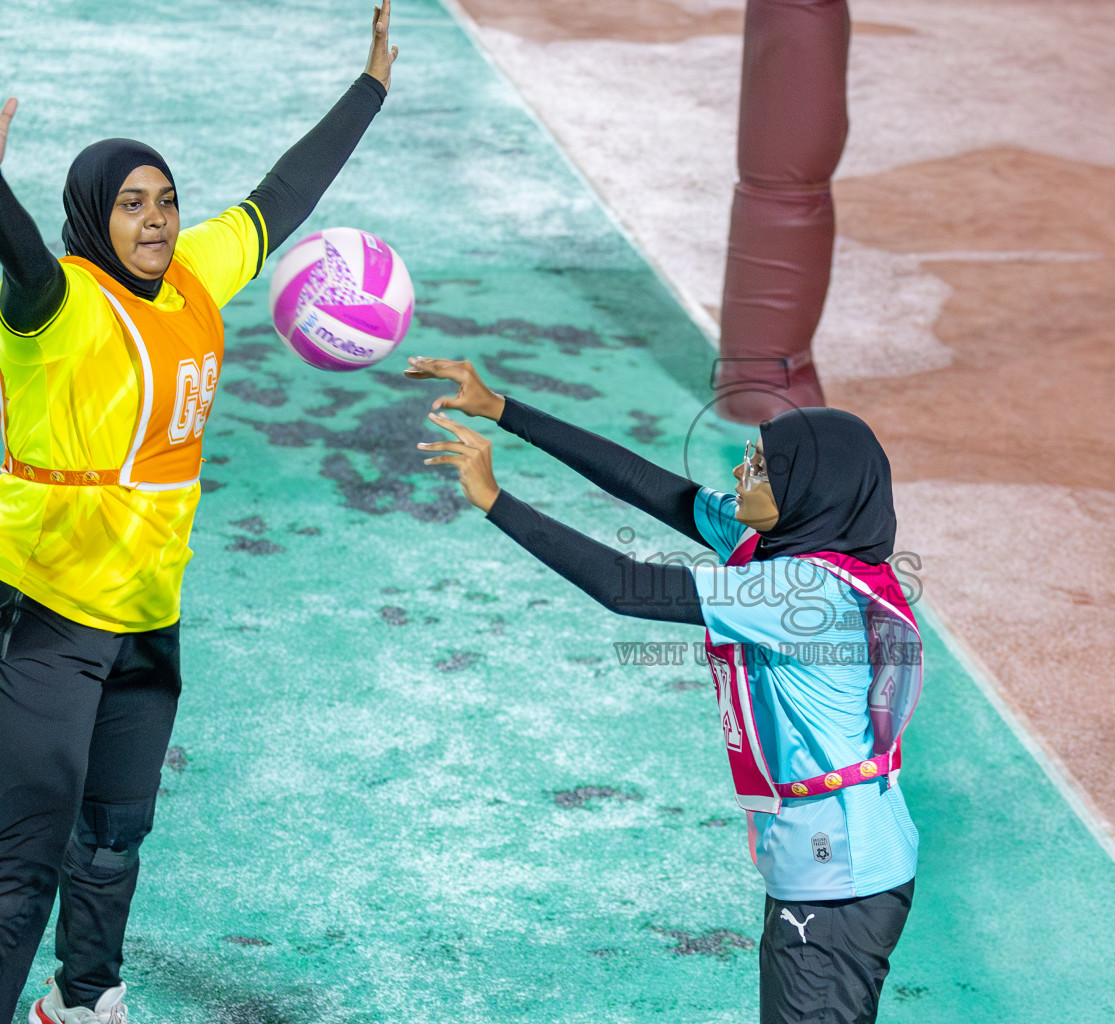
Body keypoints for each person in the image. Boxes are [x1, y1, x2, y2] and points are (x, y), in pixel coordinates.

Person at [0, 6, 399, 1022]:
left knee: (114, 835)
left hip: (146, 613)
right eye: (133, 204)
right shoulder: (59, 307)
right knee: (24, 864)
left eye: (167, 200)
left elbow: (281, 199)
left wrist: (369, 89)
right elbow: (23, 257)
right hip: (45, 615)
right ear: (96, 215)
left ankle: (82, 1002)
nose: (157, 219)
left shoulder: (196, 280)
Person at [407, 356, 923, 1024]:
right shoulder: (786, 547)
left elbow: (627, 588)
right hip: (830, 855)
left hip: (837, 871)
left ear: (804, 490)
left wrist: (494, 499)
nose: (741, 472)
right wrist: (502, 408)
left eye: (759, 466)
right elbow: (647, 485)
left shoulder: (802, 594)